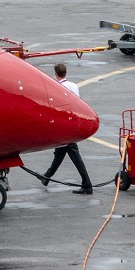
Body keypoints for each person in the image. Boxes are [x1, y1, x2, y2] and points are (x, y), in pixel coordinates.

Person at [40, 63, 93, 194]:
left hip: (64, 125)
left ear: (56, 74)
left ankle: (87, 184)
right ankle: (46, 176)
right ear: (66, 72)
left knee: (74, 155)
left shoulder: (58, 87)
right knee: (60, 152)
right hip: (74, 122)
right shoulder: (74, 86)